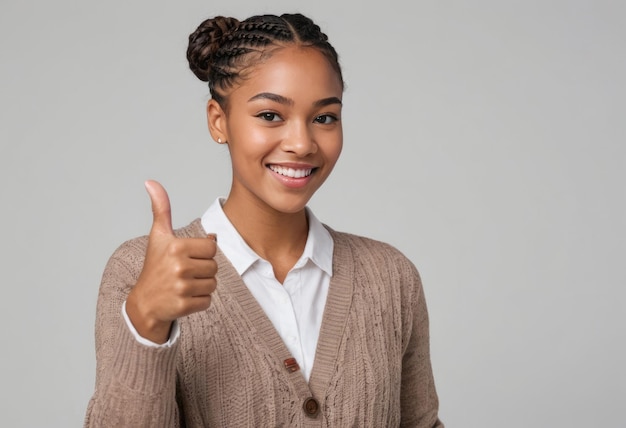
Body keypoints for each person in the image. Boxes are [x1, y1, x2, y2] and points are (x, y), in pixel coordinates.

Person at [84, 12, 443, 427]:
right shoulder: (140, 271)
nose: (302, 143)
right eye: (271, 115)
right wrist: (147, 321)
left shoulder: (391, 278)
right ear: (218, 121)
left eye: (324, 117)